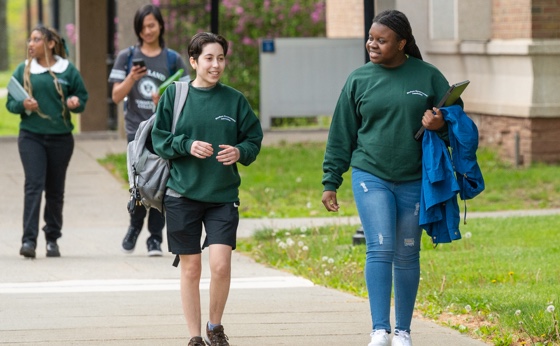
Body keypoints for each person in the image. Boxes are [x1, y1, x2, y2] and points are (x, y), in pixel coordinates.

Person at [321, 10, 462, 346]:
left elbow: (456, 125)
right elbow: (341, 134)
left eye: (381, 40)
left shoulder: (427, 76)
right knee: (380, 247)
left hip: (414, 178)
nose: (372, 44)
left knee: (408, 252)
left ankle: (403, 332)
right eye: (371, 38)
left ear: (401, 43)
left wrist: (440, 125)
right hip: (371, 174)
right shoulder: (359, 79)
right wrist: (331, 180)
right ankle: (380, 330)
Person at [152, 32, 263, 346]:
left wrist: (240, 152)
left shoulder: (234, 99)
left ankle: (215, 326)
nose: (216, 65)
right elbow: (159, 139)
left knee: (220, 264)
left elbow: (254, 140)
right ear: (193, 61)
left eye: (221, 58)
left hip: (222, 196)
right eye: (209, 58)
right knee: (191, 268)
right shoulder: (175, 96)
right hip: (181, 194)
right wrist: (187, 145)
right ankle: (195, 336)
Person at [108, 4, 190, 257]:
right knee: (139, 182)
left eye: (152, 25)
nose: (147, 31)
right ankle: (134, 227)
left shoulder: (172, 59)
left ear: (161, 26)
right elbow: (115, 96)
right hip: (136, 131)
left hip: (162, 130)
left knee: (160, 183)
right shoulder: (127, 57)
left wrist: (163, 99)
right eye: (143, 27)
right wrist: (131, 78)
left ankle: (154, 238)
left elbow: (185, 95)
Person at [6, 26, 88, 259]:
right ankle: (28, 241)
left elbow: (82, 97)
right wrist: (23, 105)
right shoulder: (24, 70)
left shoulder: (67, 70)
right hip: (31, 136)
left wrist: (74, 102)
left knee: (55, 190)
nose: (30, 44)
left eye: (37, 39)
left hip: (61, 138)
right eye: (29, 39)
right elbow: (10, 103)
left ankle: (52, 239)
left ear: (51, 44)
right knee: (33, 186)